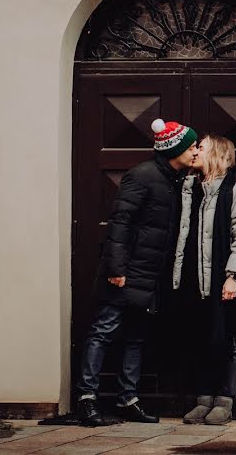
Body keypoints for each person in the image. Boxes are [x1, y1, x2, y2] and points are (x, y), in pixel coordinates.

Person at [77, 118, 199, 426]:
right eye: (193, 146)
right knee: (104, 331)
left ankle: (127, 400)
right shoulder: (141, 176)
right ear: (177, 149)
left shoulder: (175, 179)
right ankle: (86, 399)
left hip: (150, 276)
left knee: (136, 337)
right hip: (127, 273)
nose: (197, 151)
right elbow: (120, 223)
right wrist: (116, 268)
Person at [172, 135, 236, 425]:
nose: (195, 151)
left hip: (224, 280)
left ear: (218, 154)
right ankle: (203, 399)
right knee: (199, 338)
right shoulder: (190, 191)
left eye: (201, 147)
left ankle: (224, 400)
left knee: (224, 340)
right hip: (195, 280)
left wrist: (232, 276)